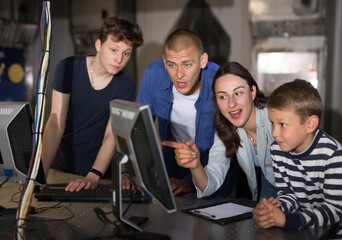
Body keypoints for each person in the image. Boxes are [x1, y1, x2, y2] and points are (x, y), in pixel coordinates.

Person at [41, 16, 143, 192]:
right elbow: (56, 123)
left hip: (96, 171)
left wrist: (94, 175)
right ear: (98, 45)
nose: (119, 59)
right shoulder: (68, 68)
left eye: (126, 53)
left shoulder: (125, 85)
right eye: (113, 50)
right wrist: (40, 172)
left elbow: (111, 134)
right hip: (59, 166)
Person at [252, 79, 342, 239]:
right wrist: (275, 208)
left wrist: (288, 220)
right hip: (305, 233)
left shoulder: (335, 156)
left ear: (310, 124)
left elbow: (334, 211)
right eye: (272, 123)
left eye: (282, 124)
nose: (274, 132)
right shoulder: (277, 150)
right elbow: (288, 193)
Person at [134, 29, 236, 196]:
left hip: (214, 172)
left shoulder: (219, 81)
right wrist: (130, 172)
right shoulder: (154, 73)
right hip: (172, 169)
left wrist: (190, 182)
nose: (179, 75)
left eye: (187, 64)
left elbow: (226, 144)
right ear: (164, 61)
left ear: (203, 60)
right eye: (171, 65)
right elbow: (139, 130)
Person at [163, 62, 277, 200]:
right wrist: (195, 166)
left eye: (238, 93)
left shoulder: (275, 118)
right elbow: (211, 182)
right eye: (222, 96)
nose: (231, 104)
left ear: (252, 92)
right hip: (271, 182)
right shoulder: (226, 128)